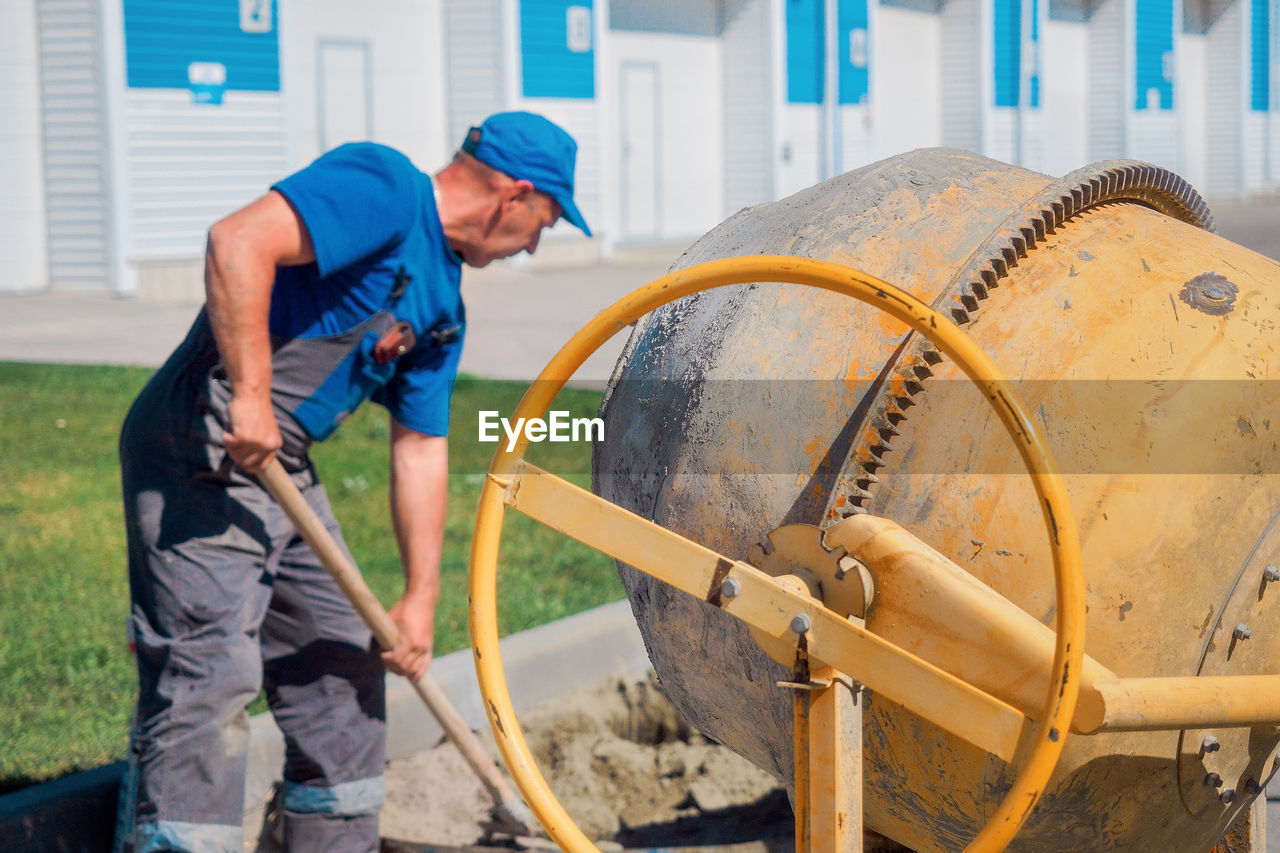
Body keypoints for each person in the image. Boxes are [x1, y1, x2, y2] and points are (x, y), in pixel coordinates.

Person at [114, 112, 591, 853]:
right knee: (208, 671)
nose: (533, 243)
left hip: (281, 462)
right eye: (544, 222)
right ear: (515, 195)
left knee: (343, 661)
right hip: (202, 438)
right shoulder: (385, 187)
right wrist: (249, 390)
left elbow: (421, 450)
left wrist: (420, 598)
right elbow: (238, 240)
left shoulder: (443, 307)